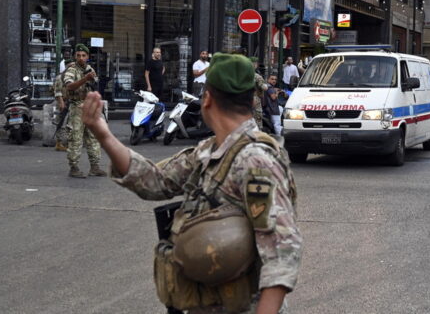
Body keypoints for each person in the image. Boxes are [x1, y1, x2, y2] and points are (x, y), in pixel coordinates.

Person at [81, 53, 302, 313]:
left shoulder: (255, 160)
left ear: (207, 99)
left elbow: (282, 249)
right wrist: (103, 134)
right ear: (250, 99)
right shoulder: (209, 151)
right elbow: (155, 181)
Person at [63, 44, 106, 178]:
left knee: (93, 137)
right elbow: (69, 86)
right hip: (77, 107)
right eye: (78, 55)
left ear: (87, 57)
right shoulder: (71, 70)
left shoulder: (89, 69)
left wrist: (92, 80)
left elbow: (96, 84)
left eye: (83, 55)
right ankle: (74, 168)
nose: (81, 58)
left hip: (89, 106)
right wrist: (85, 79)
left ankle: (95, 167)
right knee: (75, 138)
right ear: (75, 56)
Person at [52, 63, 69, 151]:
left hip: (70, 102)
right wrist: (61, 103)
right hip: (62, 101)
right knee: (61, 123)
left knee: (69, 123)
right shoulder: (60, 77)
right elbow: (57, 91)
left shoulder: (71, 76)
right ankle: (59, 143)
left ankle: (66, 142)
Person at [252, 57, 268, 128]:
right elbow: (264, 87)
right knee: (258, 118)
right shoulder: (257, 76)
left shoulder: (241, 75)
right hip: (255, 99)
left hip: (242, 100)